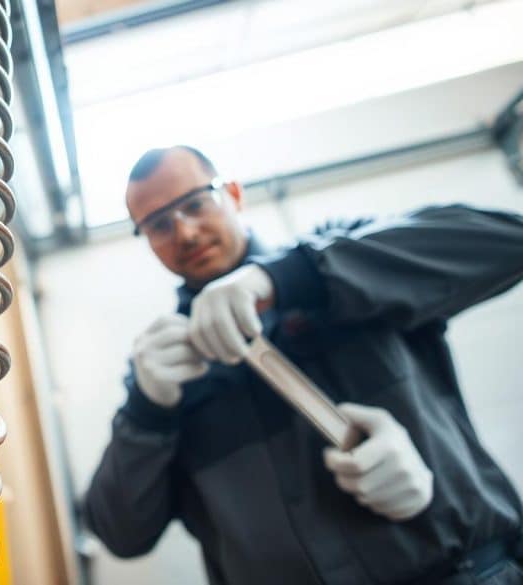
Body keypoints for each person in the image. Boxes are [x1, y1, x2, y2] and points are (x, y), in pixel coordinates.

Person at [83, 145, 523, 585]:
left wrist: (291, 277)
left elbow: (508, 240)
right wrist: (146, 412)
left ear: (234, 194)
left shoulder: (343, 260)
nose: (185, 232)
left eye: (195, 204)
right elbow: (121, 536)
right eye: (159, 225)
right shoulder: (164, 370)